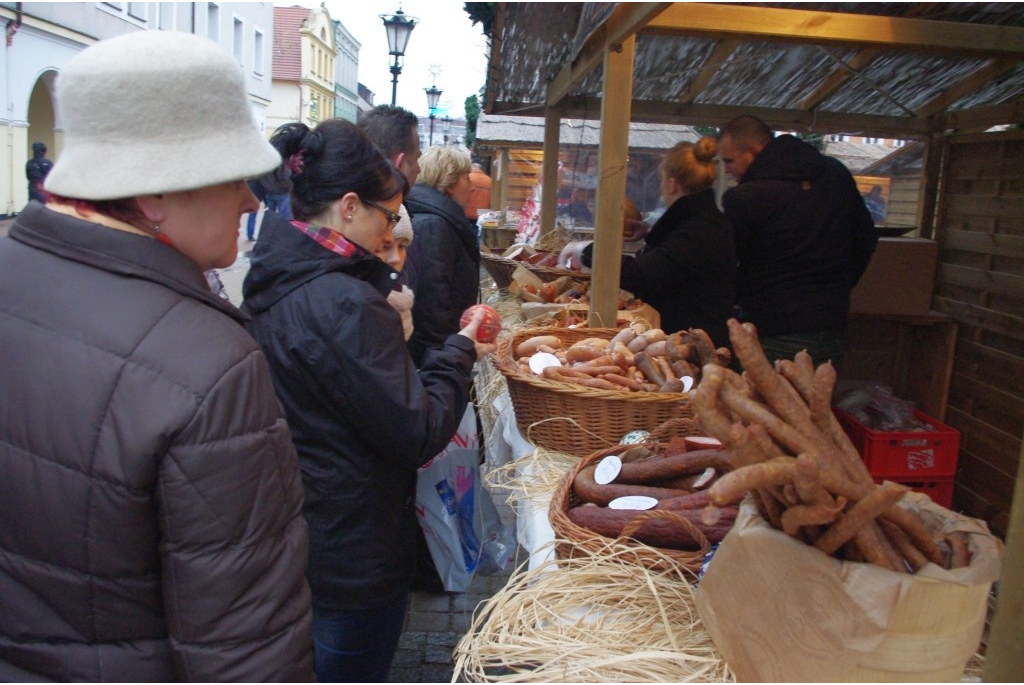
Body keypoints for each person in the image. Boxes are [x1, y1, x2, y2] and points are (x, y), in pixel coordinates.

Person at [0, 31, 313, 681]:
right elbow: (246, 649)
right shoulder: (208, 363)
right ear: (152, 195)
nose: (252, 201)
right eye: (232, 178)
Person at [240, 118, 496, 683]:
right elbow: (417, 430)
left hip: (306, 527)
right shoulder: (346, 302)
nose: (391, 234)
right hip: (353, 547)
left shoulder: (275, 270)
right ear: (350, 206)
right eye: (387, 216)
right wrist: (461, 351)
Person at [718, 114, 878, 368]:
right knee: (816, 405)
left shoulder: (746, 199)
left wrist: (742, 296)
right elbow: (865, 238)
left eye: (729, 161)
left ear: (753, 152)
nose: (727, 170)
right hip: (829, 322)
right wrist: (836, 288)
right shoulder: (836, 175)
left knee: (764, 406)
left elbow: (725, 263)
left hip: (771, 328)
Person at [577, 138, 736, 349]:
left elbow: (641, 275)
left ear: (671, 184)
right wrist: (650, 231)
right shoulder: (703, 221)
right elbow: (675, 258)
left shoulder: (700, 230)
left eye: (661, 181)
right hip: (688, 338)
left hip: (696, 346)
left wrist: (584, 250)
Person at [404, 145, 481, 367]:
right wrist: (448, 362)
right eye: (466, 178)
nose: (472, 187)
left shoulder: (438, 220)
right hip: (434, 359)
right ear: (449, 182)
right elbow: (432, 306)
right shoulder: (433, 225)